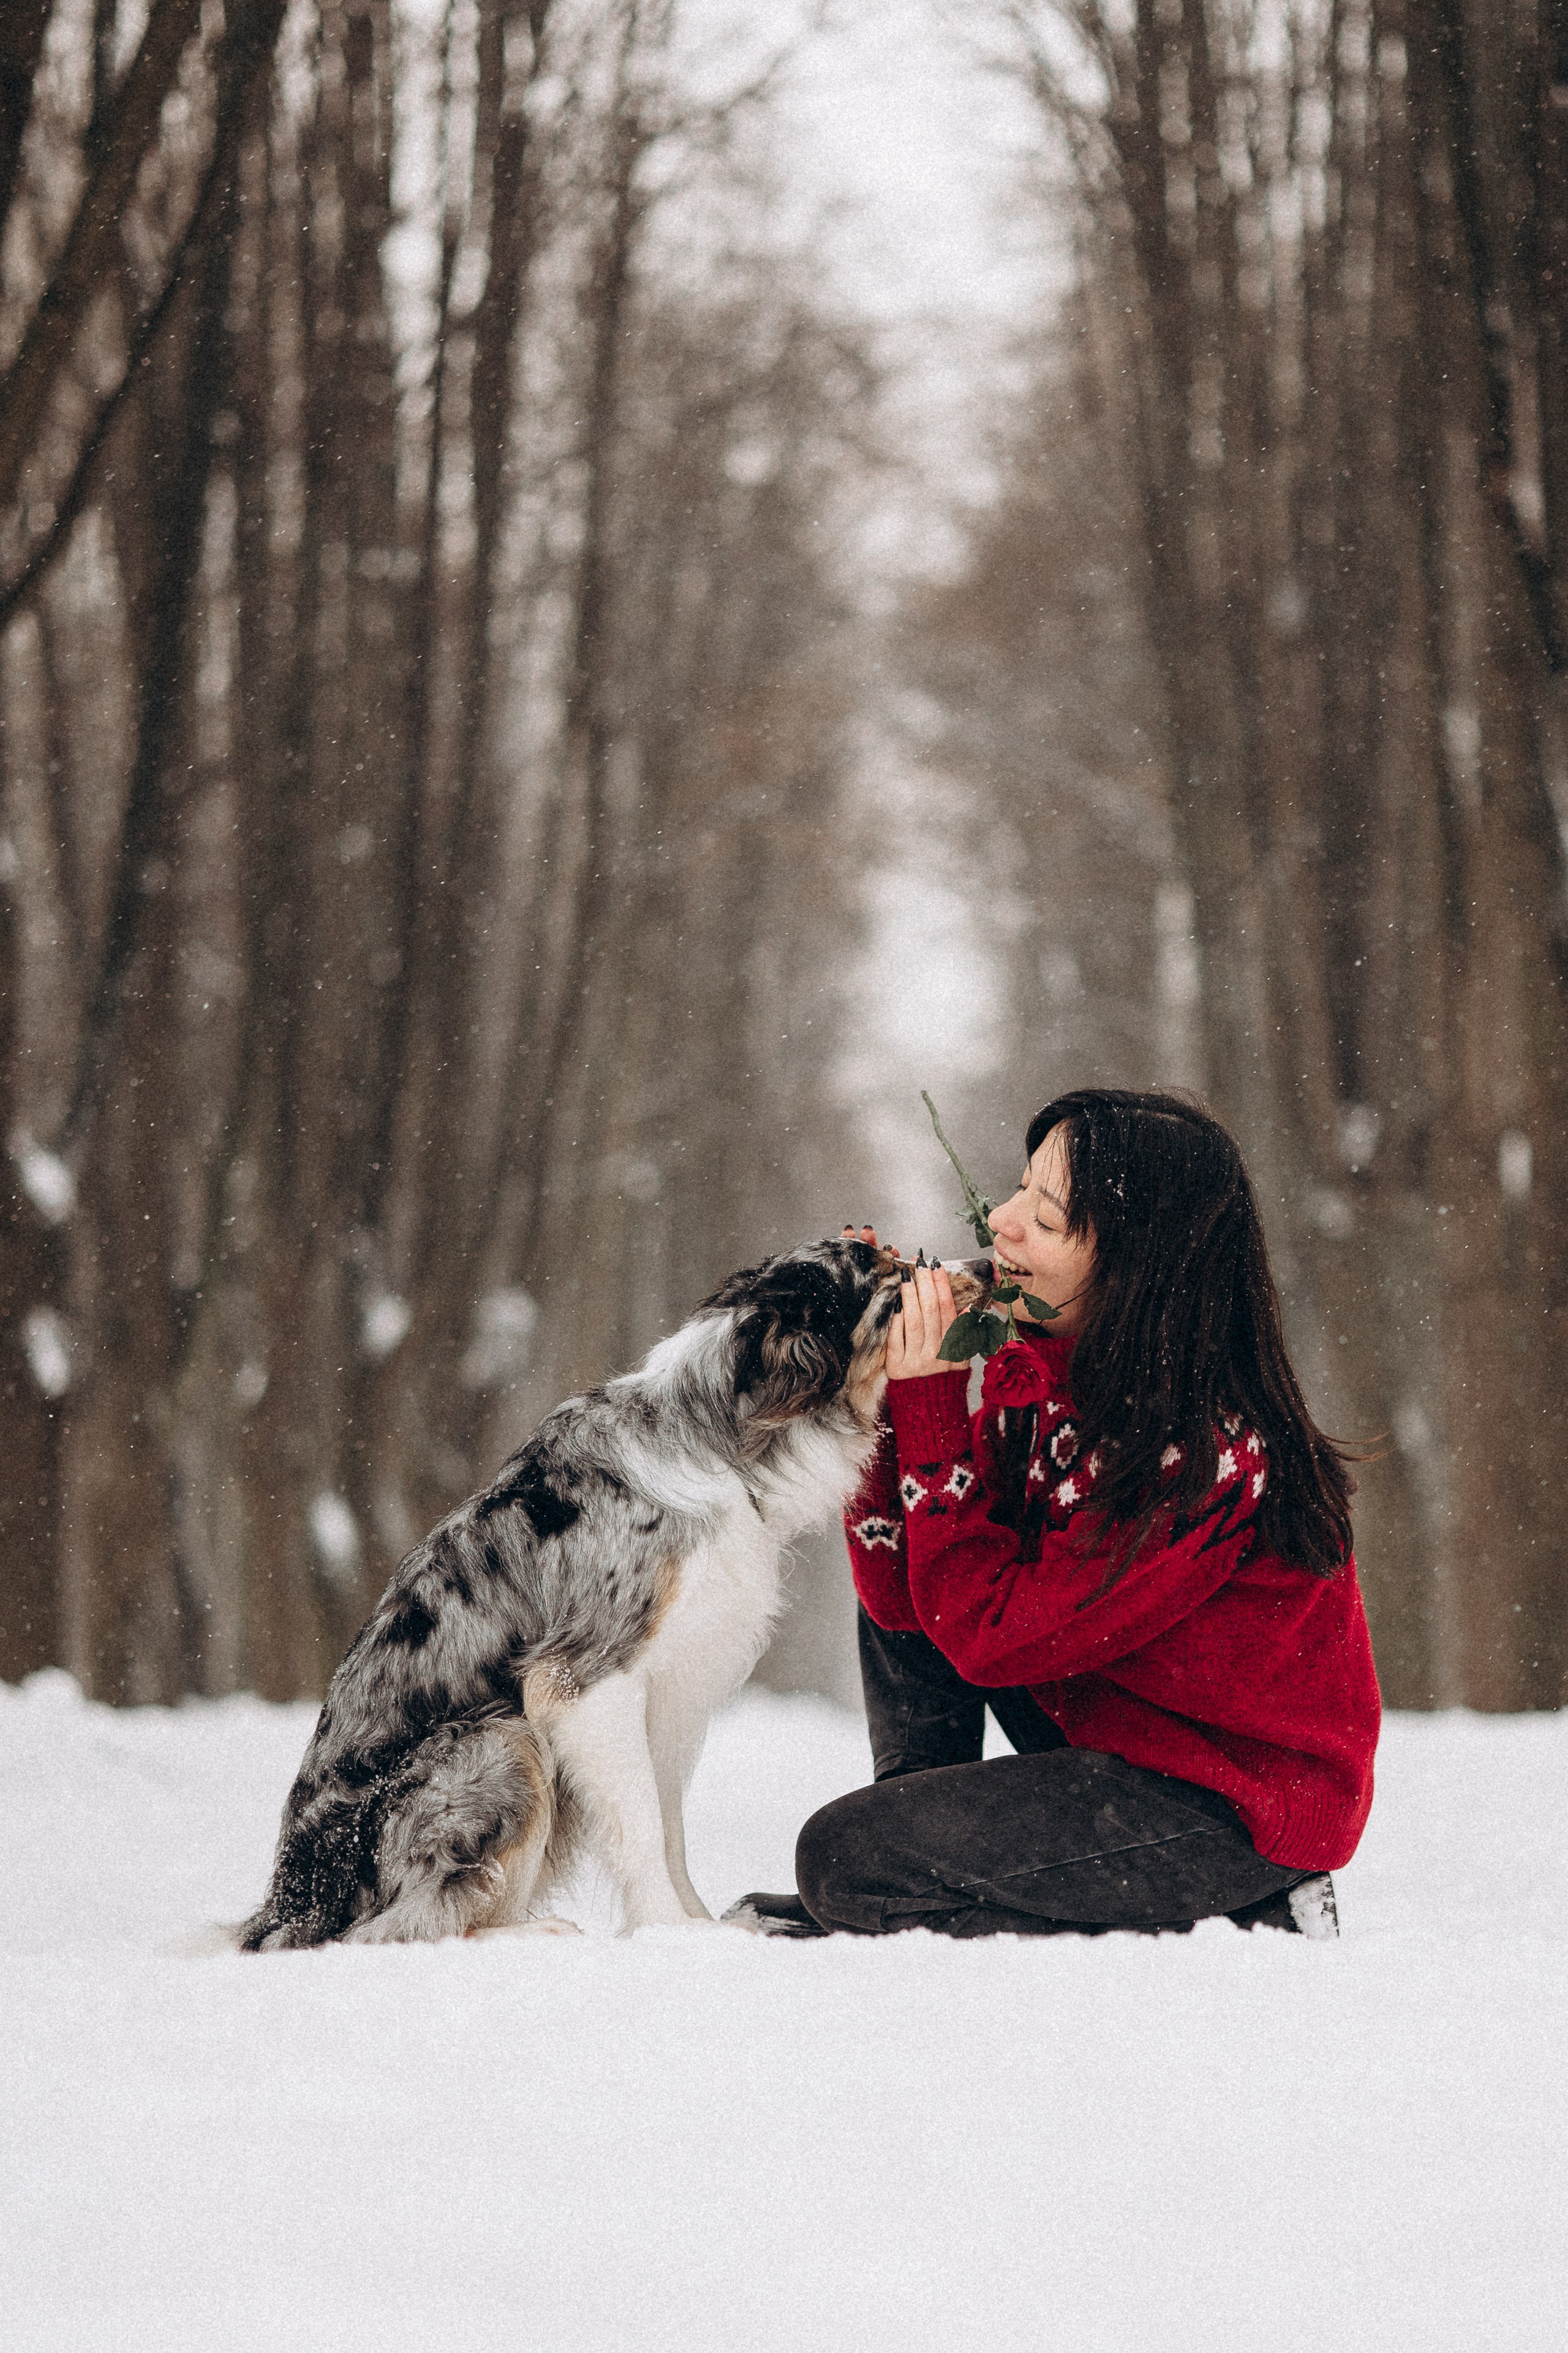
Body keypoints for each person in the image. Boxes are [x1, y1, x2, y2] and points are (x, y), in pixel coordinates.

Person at [729, 1089, 1381, 1940]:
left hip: (1227, 1801)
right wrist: (885, 1389)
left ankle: (1254, 1901)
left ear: (1135, 1266)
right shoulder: (1053, 1385)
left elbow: (990, 1637)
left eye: (1047, 1217)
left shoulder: (1202, 1454)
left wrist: (933, 1404)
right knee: (933, 1569)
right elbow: (906, 1605)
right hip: (1115, 1733)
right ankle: (909, 1851)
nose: (1002, 1223)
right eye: (1018, 1191)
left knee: (842, 1858)